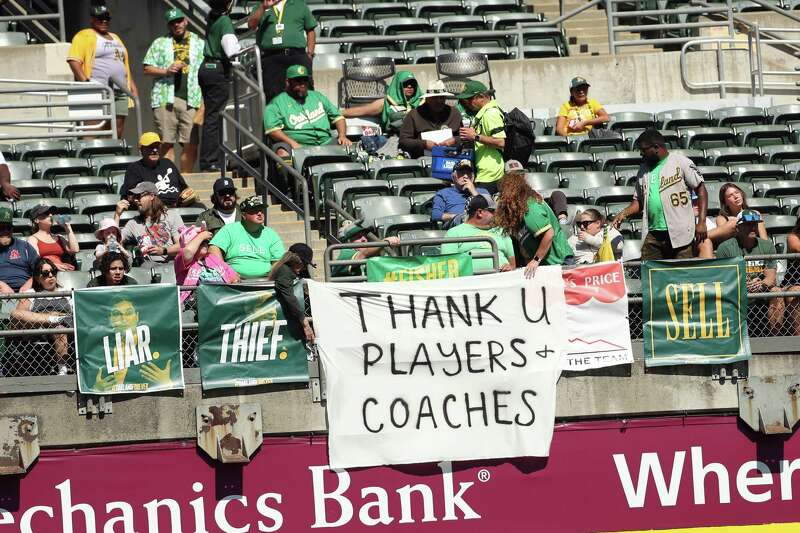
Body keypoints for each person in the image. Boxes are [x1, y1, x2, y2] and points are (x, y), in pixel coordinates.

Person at [612, 129, 708, 260]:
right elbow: (638, 202)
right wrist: (623, 214)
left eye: (643, 150)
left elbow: (701, 189)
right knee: (651, 274)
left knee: (682, 274)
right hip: (653, 234)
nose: (641, 154)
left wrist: (702, 222)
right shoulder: (643, 170)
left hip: (680, 232)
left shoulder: (682, 162)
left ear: (656, 147)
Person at [142, 8, 205, 173]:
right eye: (172, 23)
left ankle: (185, 179)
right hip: (164, 98)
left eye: (179, 21)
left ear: (185, 21)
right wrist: (166, 71)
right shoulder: (160, 42)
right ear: (169, 25)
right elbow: (147, 68)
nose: (176, 25)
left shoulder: (199, 42)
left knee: (191, 143)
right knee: (166, 142)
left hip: (192, 98)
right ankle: (169, 178)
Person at [716, 210, 799, 335]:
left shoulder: (766, 245)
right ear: (738, 227)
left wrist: (761, 284)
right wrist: (743, 283)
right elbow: (724, 278)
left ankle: (774, 340)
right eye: (748, 224)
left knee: (776, 292)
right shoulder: (725, 248)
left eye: (755, 224)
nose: (753, 227)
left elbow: (771, 277)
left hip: (762, 291)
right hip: (736, 291)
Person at [66, 5, 138, 139]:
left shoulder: (115, 37)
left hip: (120, 91)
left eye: (106, 19)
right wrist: (86, 83)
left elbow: (122, 63)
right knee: (94, 128)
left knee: (117, 129)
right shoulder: (84, 35)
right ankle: (91, 157)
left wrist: (132, 85)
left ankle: (112, 156)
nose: (104, 22)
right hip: (98, 89)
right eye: (100, 19)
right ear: (92, 20)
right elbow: (74, 61)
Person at [494, 173, 575, 278]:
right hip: (546, 265)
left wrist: (536, 260)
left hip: (559, 263)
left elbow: (549, 234)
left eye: (503, 192)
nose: (501, 196)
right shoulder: (519, 211)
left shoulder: (530, 207)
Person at [264, 64, 351, 161]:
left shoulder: (317, 96)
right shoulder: (277, 103)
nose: (302, 84)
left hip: (326, 142)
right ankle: (289, 177)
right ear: (288, 82)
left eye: (305, 80)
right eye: (298, 80)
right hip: (298, 145)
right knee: (282, 152)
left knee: (352, 149)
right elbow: (272, 130)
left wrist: (342, 136)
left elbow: (338, 117)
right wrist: (293, 143)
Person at [199, 0, 241, 172]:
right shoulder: (224, 21)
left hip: (207, 68)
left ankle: (210, 159)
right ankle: (210, 161)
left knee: (211, 117)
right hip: (216, 69)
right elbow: (231, 49)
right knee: (214, 118)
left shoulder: (212, 16)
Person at [248, 0, 317, 104]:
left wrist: (310, 54)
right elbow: (251, 25)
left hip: (297, 55)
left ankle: (308, 117)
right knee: (273, 95)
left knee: (304, 92)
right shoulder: (261, 4)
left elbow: (310, 30)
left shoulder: (299, 4)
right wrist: (263, 8)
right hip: (272, 58)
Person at [11, 258, 72, 375]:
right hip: (37, 331)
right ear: (38, 278)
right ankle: (52, 319)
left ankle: (62, 371)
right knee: (15, 314)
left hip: (62, 329)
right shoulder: (30, 293)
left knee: (60, 328)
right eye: (45, 273)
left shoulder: (67, 292)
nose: (50, 275)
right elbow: (18, 318)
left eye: (53, 271)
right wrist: (47, 317)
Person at [209, 195, 285, 279]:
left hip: (265, 281)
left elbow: (278, 261)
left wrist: (271, 277)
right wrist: (225, 272)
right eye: (254, 211)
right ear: (244, 215)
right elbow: (213, 249)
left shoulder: (271, 234)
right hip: (234, 282)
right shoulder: (230, 230)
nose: (259, 213)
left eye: (261, 210)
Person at [120, 132, 197, 208]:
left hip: (178, 206)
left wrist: (188, 193)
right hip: (155, 210)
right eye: (150, 147)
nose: (154, 150)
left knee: (200, 208)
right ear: (141, 149)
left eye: (157, 146)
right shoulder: (134, 169)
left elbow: (183, 188)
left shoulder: (168, 163)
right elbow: (131, 197)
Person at [441, 194, 515, 273]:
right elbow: (448, 266)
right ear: (480, 212)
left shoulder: (501, 231)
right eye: (492, 211)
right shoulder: (454, 233)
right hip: (470, 282)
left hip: (502, 278)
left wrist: (508, 268)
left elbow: (512, 264)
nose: (496, 215)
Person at [116, 182, 183, 265]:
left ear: (151, 196)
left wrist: (163, 250)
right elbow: (114, 241)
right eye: (134, 197)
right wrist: (117, 215)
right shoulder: (133, 223)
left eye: (139, 196)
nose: (135, 200)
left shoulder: (171, 216)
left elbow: (182, 246)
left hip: (172, 266)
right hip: (147, 269)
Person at [398, 79, 462, 159]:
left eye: (441, 98)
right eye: (434, 98)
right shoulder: (414, 114)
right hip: (422, 158)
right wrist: (424, 144)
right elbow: (403, 141)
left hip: (451, 156)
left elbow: (464, 137)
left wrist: (454, 140)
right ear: (427, 99)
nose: (439, 101)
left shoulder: (454, 113)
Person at [343, 72, 423, 135]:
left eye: (412, 84)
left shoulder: (423, 102)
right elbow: (361, 111)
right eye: (405, 84)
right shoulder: (386, 103)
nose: (409, 87)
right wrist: (334, 114)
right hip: (396, 138)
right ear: (398, 86)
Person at [175, 224, 238, 303]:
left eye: (206, 241)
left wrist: (233, 282)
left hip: (220, 300)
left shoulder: (212, 258)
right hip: (195, 304)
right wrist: (202, 236)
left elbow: (234, 277)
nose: (205, 243)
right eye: (201, 242)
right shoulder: (181, 258)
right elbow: (188, 251)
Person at [268, 249, 315, 342]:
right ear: (298, 262)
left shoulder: (287, 269)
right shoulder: (284, 272)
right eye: (304, 265)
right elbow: (290, 298)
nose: (304, 269)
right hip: (286, 314)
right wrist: (305, 324)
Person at [431, 159, 489, 227]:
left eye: (468, 173)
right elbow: (435, 215)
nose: (465, 176)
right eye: (462, 173)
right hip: (457, 228)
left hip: (481, 227)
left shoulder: (483, 192)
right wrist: (461, 217)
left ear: (473, 177)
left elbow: (491, 212)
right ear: (453, 176)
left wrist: (474, 192)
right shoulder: (443, 193)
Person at [508, 159, 568, 223]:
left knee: (558, 194)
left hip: (539, 216)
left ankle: (562, 221)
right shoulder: (503, 196)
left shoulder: (529, 190)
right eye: (514, 175)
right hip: (521, 222)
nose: (518, 177)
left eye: (521, 174)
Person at [332, 221, 400, 278]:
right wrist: (384, 242)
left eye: (364, 236)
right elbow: (364, 253)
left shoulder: (369, 252)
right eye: (358, 237)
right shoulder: (345, 252)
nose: (364, 239)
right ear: (348, 242)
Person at [26, 204, 78, 272]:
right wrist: (53, 265)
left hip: (62, 272)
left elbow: (75, 250)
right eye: (46, 213)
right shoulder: (32, 239)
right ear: (36, 220)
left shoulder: (59, 237)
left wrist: (68, 228)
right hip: (46, 273)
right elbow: (35, 261)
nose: (50, 215)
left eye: (51, 213)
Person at [0, 207, 37, 294]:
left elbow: (40, 269)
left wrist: (30, 283)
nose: (5, 231)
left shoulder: (24, 246)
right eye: (1, 228)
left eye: (8, 228)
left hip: (26, 293)